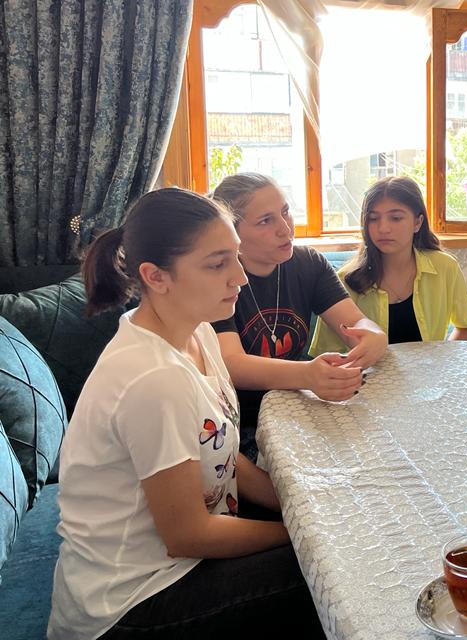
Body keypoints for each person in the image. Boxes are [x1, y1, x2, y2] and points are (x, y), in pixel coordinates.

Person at [49, 188, 324, 638]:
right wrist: (304, 534)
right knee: (326, 572)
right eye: (217, 264)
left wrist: (301, 505)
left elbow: (223, 454)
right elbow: (188, 535)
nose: (240, 277)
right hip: (134, 599)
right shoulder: (153, 377)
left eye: (236, 257)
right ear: (155, 276)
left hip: (185, 553)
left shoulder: (199, 334)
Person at [210, 173, 387, 436]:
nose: (285, 228)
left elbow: (354, 322)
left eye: (285, 212)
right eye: (265, 221)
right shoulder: (216, 278)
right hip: (239, 424)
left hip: (298, 411)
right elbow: (231, 364)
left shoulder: (308, 263)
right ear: (231, 233)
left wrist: (374, 336)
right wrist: (307, 375)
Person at [309, 176, 467, 352]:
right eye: (373, 219)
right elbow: (328, 354)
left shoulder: (445, 267)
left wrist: (440, 358)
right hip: (365, 371)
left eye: (396, 218)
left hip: (430, 370)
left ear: (417, 222)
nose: (383, 228)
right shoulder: (345, 281)